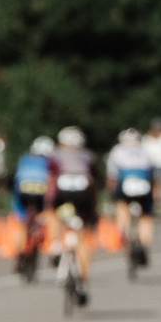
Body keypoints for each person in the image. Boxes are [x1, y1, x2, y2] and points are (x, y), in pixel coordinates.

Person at [45, 125, 98, 305]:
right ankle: (83, 283)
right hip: (84, 194)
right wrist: (93, 213)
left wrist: (48, 204)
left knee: (55, 214)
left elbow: (51, 181)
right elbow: (94, 182)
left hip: (64, 193)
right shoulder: (88, 156)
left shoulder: (55, 156)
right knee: (82, 239)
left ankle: (56, 244)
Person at [105, 126, 158, 265]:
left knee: (122, 205)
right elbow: (152, 173)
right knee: (146, 216)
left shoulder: (117, 151)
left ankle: (122, 230)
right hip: (144, 185)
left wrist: (111, 193)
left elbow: (112, 176)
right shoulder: (145, 150)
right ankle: (144, 244)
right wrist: (154, 192)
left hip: (125, 184)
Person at [11, 137, 55, 273]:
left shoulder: (25, 159)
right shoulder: (50, 162)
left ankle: (20, 252)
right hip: (41, 191)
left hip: (23, 190)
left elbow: (16, 180)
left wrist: (17, 210)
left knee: (22, 223)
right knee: (49, 214)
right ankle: (53, 245)